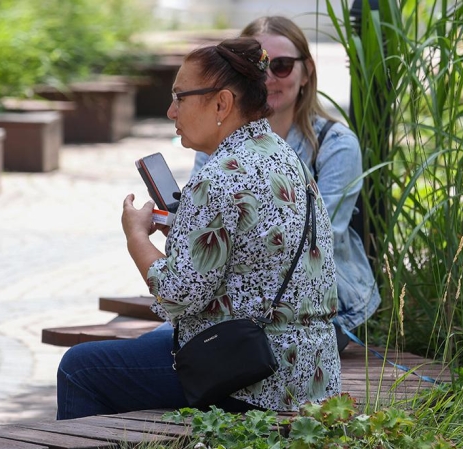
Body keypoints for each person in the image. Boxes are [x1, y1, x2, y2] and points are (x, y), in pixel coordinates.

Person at [56, 37, 341, 419]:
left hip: (249, 379)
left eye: (180, 97)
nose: (172, 111)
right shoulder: (283, 155)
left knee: (80, 368)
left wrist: (136, 236)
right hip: (311, 372)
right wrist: (184, 231)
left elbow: (175, 297)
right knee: (142, 348)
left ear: (222, 103)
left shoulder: (218, 177)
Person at [192, 16, 380, 353]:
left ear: (306, 71)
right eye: (257, 67)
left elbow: (318, 240)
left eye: (281, 66)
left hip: (319, 302)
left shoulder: (335, 143)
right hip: (235, 299)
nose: (268, 78)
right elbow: (199, 226)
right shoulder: (217, 140)